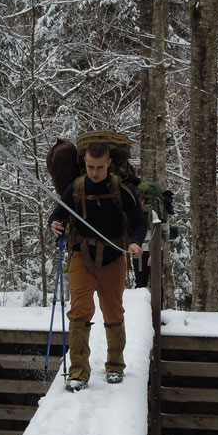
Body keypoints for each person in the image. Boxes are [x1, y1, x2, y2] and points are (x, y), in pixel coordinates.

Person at [48, 141, 147, 391]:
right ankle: (78, 372)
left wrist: (135, 242)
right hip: (82, 256)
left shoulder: (122, 189)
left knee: (113, 311)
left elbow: (139, 221)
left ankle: (115, 365)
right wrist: (55, 224)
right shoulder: (77, 187)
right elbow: (58, 213)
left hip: (114, 257)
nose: (94, 172)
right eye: (90, 166)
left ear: (109, 164)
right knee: (79, 312)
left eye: (99, 167)